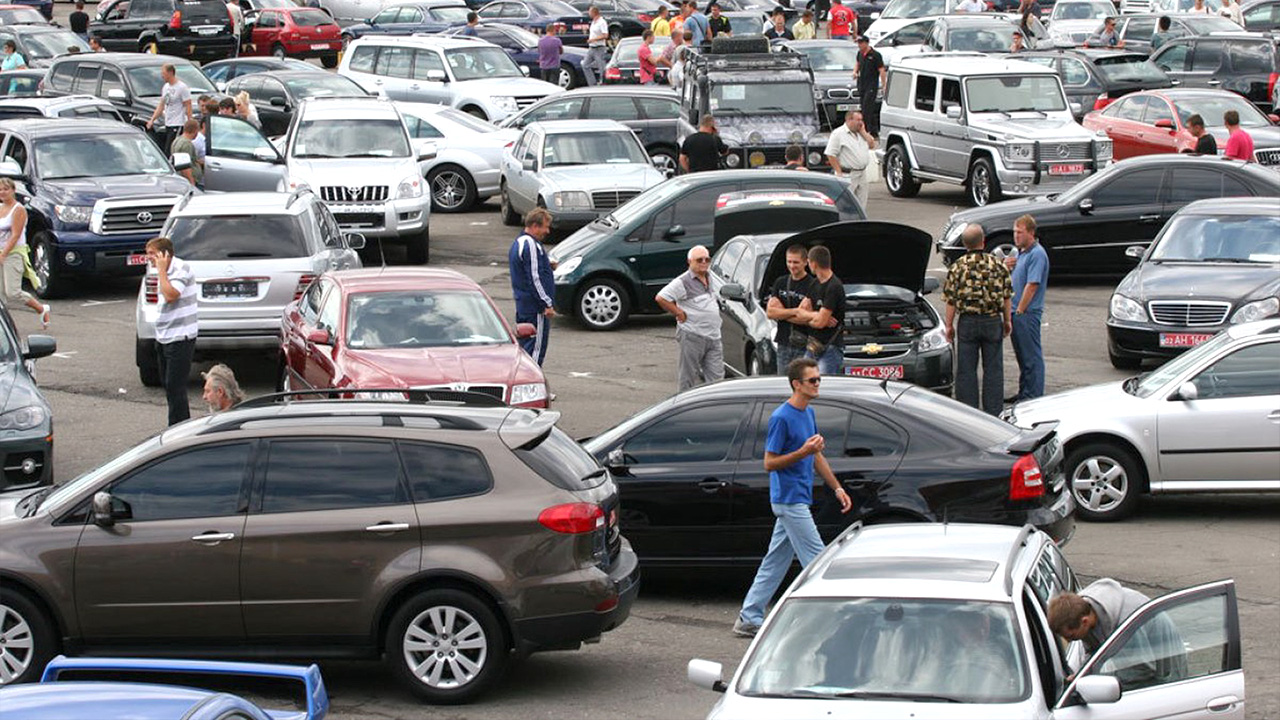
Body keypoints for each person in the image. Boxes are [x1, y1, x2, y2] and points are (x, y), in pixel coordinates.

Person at [733, 357, 852, 637]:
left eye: (819, 379)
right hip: (788, 500)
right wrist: (802, 452)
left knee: (775, 561)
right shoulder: (781, 418)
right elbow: (769, 463)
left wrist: (837, 488)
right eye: (812, 380)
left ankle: (749, 617)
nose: (817, 384)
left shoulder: (807, 412)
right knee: (819, 560)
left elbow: (816, 455)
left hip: (798, 497)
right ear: (796, 384)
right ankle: (835, 619)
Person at [942, 224, 1012, 416]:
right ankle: (993, 412)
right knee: (993, 370)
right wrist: (1007, 321)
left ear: (965, 244)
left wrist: (949, 326)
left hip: (968, 322)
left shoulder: (958, 267)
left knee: (966, 370)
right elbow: (1006, 296)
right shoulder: (998, 264)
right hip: (992, 320)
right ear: (983, 241)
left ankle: (968, 413)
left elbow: (951, 300)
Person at [656, 245, 725, 391]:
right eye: (699, 260)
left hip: (714, 337)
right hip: (692, 336)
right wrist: (678, 312)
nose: (704, 263)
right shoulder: (683, 281)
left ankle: (715, 409)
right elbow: (661, 298)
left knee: (717, 379)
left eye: (707, 259)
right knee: (688, 377)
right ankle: (683, 407)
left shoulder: (711, 277)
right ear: (690, 262)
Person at [146, 236, 198, 426]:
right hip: (164, 336)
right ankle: (176, 424)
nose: (149, 258)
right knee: (168, 384)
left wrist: (161, 271)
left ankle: (179, 427)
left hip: (180, 336)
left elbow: (170, 295)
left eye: (152, 254)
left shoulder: (181, 269)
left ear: (165, 254)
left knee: (176, 387)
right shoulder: (162, 272)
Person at [1049, 579, 1149, 668]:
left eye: (1071, 636)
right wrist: (1082, 675)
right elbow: (1093, 653)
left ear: (1085, 622)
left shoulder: (1127, 623)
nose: (1069, 641)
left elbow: (1141, 667)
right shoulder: (1083, 612)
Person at [1006, 214, 1048, 402]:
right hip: (1016, 312)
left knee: (1031, 356)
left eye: (1020, 233)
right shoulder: (1020, 253)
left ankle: (1033, 396)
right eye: (1015, 232)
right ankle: (1025, 392)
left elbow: (1032, 285)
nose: (1016, 236)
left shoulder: (1037, 254)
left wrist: (1021, 310)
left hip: (1027, 313)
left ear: (1031, 233)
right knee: (1023, 356)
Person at [508, 208, 556, 366]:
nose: (547, 231)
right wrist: (546, 303)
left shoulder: (519, 243)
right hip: (535, 308)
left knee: (525, 346)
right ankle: (533, 386)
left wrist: (547, 266)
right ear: (535, 226)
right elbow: (534, 278)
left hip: (523, 305)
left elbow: (527, 270)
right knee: (535, 350)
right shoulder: (531, 245)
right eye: (545, 227)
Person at [0, 178, 49, 329]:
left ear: (13, 191)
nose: (2, 192)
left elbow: (15, 235)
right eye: (0, 189)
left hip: (13, 253)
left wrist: (4, 254)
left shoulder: (19, 209)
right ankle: (5, 328)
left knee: (12, 292)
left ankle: (41, 309)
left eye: (6, 189)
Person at [766, 245, 815, 373]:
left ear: (805, 262)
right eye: (789, 261)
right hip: (783, 343)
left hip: (805, 345)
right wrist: (796, 312)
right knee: (782, 382)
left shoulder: (813, 285)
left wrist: (782, 313)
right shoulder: (780, 282)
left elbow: (808, 318)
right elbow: (770, 313)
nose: (792, 266)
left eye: (796, 262)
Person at [800, 245, 845, 374]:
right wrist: (815, 315)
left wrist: (808, 316)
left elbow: (820, 323)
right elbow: (799, 313)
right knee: (803, 379)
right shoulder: (814, 284)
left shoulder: (834, 286)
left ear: (814, 264)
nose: (808, 266)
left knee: (823, 386)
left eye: (808, 262)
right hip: (812, 346)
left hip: (830, 347)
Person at [824, 110, 876, 210]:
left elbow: (872, 145)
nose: (860, 122)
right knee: (846, 202)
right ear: (849, 120)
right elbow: (830, 154)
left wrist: (863, 132)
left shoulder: (861, 133)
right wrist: (839, 172)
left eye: (862, 120)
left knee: (861, 202)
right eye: (858, 120)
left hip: (862, 173)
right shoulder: (838, 134)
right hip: (848, 174)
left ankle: (860, 221)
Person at [145, 64, 192, 152]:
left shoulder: (182, 87)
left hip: (178, 123)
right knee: (166, 148)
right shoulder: (166, 87)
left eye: (164, 73)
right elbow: (162, 105)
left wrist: (189, 122)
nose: (162, 76)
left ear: (170, 73)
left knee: (170, 150)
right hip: (168, 122)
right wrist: (152, 119)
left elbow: (188, 105)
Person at [854, 35, 885, 137]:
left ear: (866, 43)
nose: (859, 45)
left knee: (867, 108)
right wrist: (855, 72)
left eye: (861, 43)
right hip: (862, 83)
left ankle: (866, 131)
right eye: (858, 43)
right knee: (864, 106)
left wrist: (884, 85)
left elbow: (881, 70)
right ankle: (875, 131)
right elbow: (857, 63)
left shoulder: (875, 55)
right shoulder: (860, 53)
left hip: (871, 85)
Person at [170, 120, 203, 187]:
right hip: (188, 181)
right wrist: (191, 182)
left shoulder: (177, 140)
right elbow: (185, 166)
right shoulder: (187, 144)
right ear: (195, 130)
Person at [583, 6, 609, 86]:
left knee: (601, 67)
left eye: (590, 12)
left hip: (599, 48)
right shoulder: (593, 22)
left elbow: (605, 35)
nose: (589, 13)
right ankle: (592, 83)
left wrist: (594, 39)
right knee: (585, 65)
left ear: (594, 12)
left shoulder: (602, 22)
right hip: (592, 47)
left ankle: (603, 83)